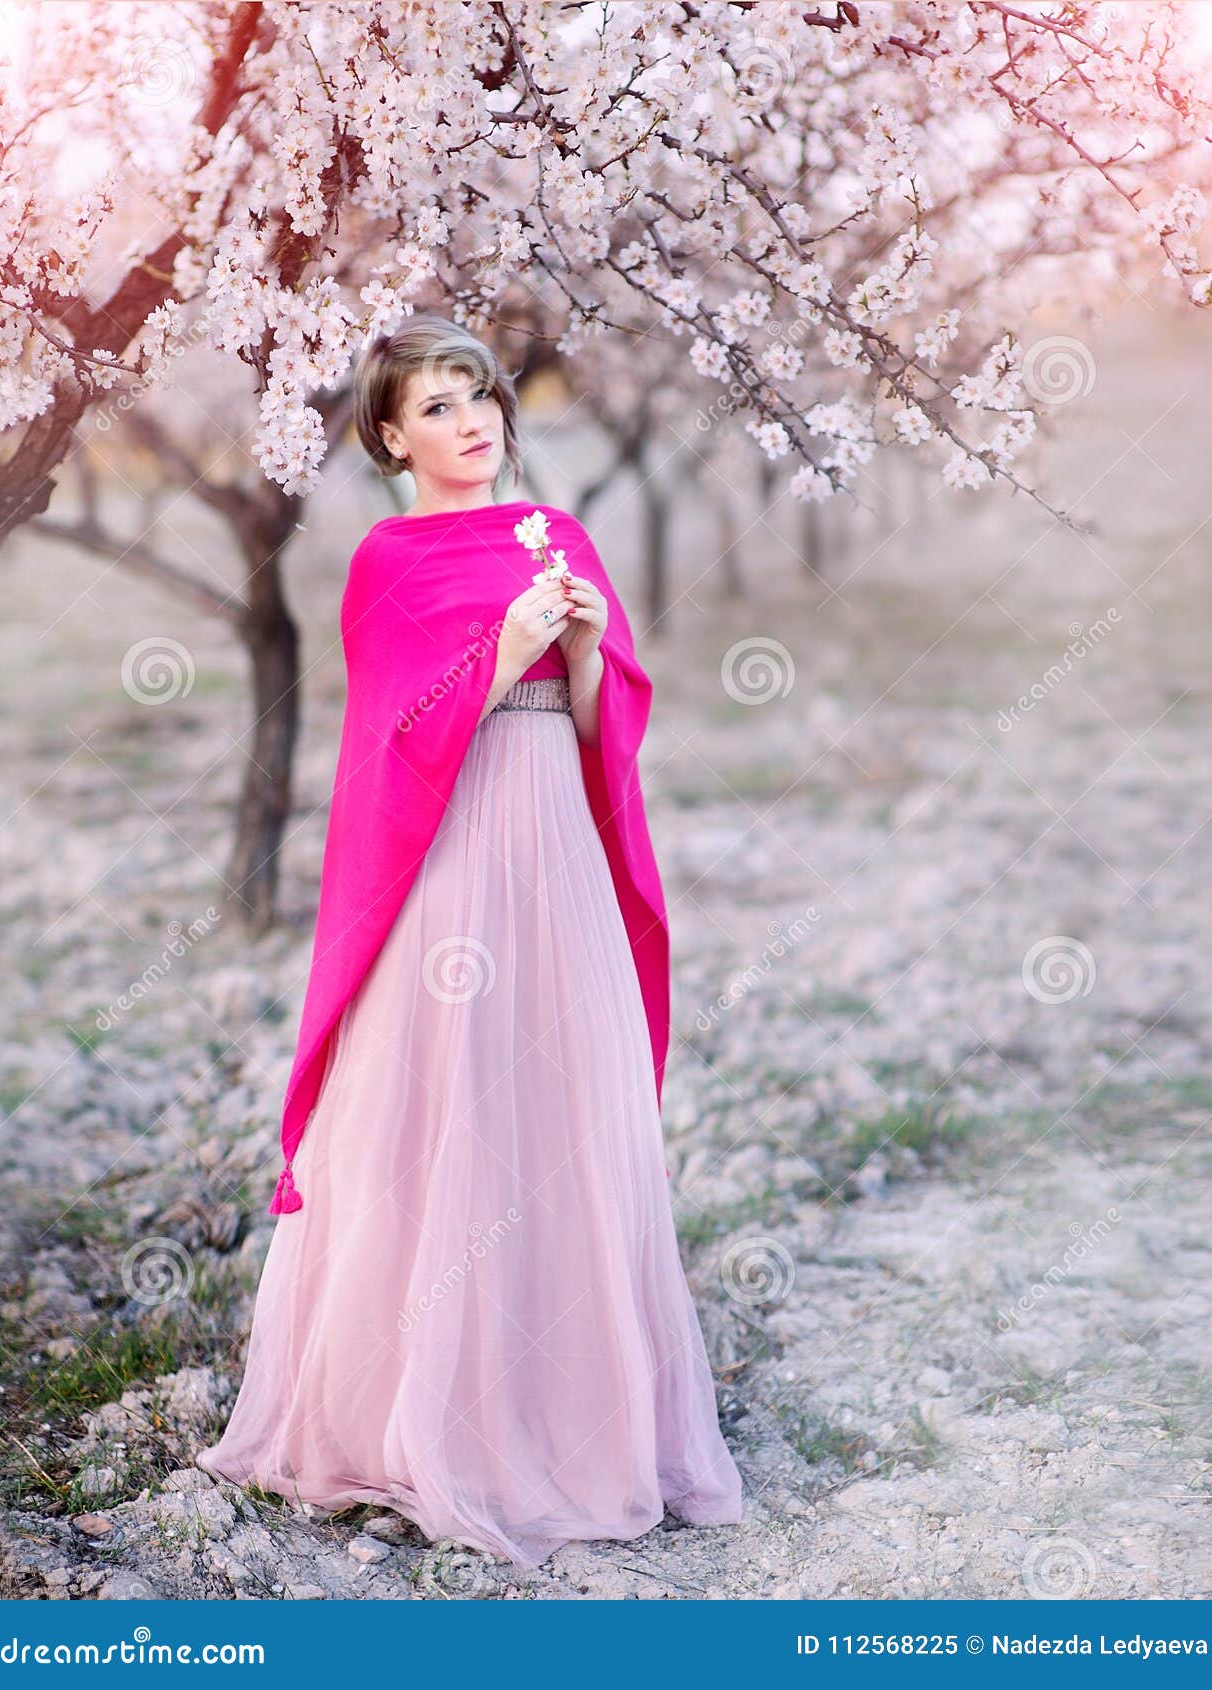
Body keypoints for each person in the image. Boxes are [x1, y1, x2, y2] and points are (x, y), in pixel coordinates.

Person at [196, 313, 743, 1569]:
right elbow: (396, 730)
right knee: (444, 1091)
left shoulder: (563, 537)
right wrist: (500, 648)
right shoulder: (388, 559)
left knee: (557, 1094)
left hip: (551, 825)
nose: (470, 420)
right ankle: (415, 1408)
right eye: (435, 406)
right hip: (450, 849)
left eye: (479, 394)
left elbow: (605, 720)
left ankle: (560, 1413)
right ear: (390, 436)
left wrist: (589, 649)